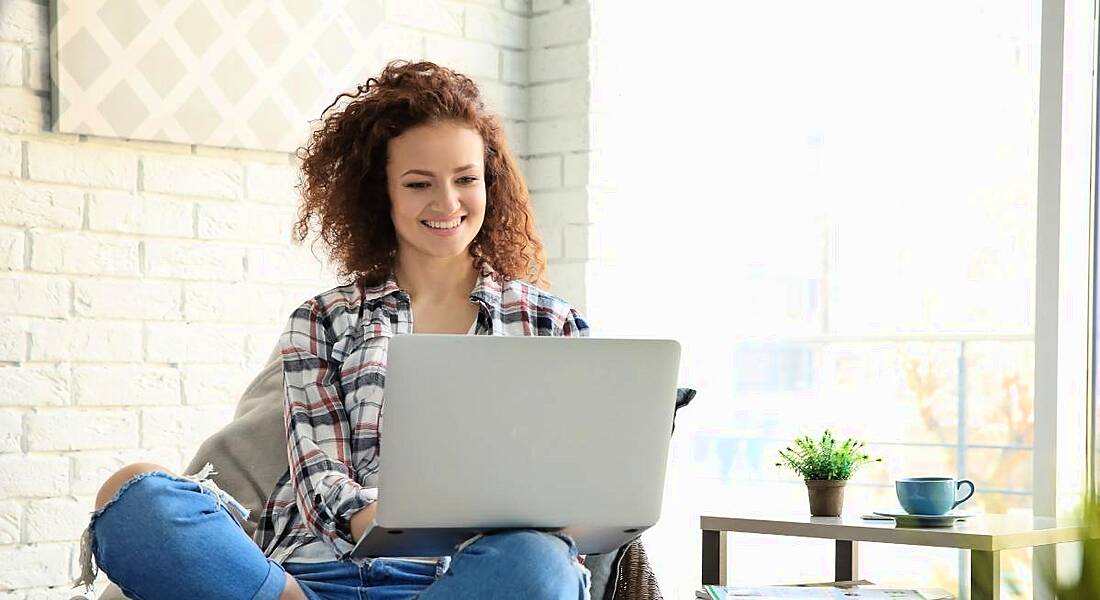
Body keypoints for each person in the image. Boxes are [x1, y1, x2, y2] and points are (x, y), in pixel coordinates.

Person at [77, 60, 592, 600]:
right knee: (134, 495)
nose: (447, 202)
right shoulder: (323, 320)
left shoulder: (548, 321)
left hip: (463, 579)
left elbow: (574, 486)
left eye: (466, 179)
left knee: (538, 561)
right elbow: (320, 476)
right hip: (310, 580)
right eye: (419, 184)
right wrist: (383, 520)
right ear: (382, 195)